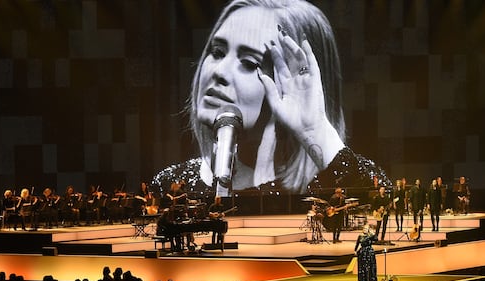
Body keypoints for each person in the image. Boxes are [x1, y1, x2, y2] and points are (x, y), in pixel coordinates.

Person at [150, 0, 390, 202]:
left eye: (249, 63)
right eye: (217, 52)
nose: (219, 71)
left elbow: (383, 211)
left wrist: (314, 130)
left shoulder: (332, 184)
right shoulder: (172, 185)